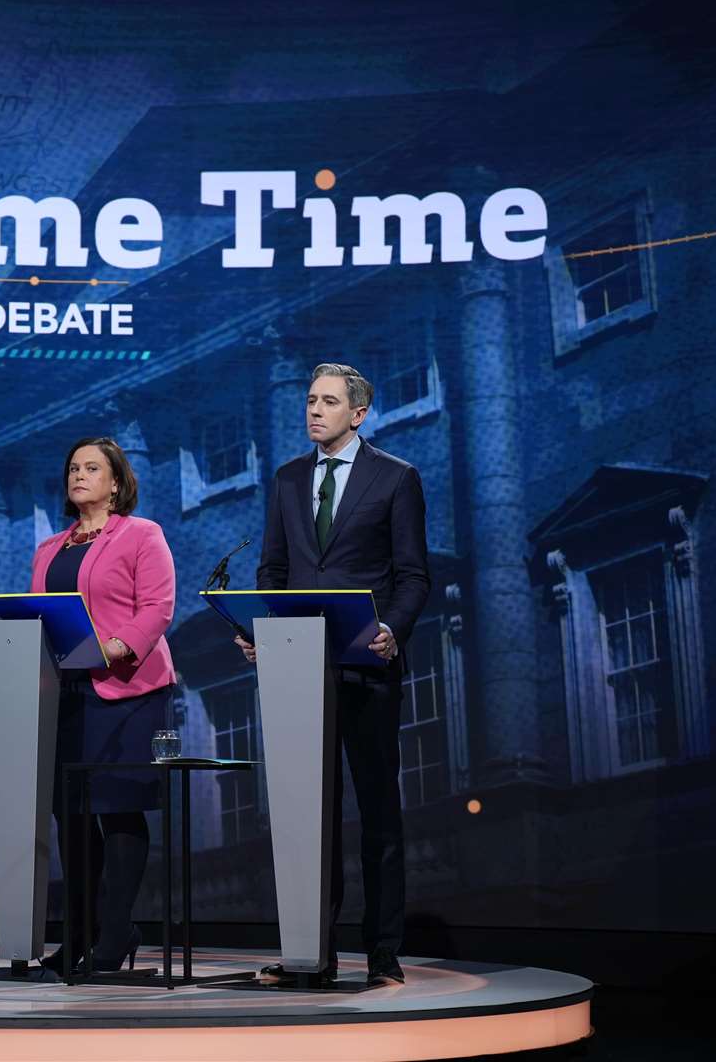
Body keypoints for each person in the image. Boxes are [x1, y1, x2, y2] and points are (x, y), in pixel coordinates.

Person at [238, 362, 430, 988]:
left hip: (366, 669)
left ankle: (382, 955)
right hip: (299, 670)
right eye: (310, 401)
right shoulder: (288, 479)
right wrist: (261, 630)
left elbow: (413, 576)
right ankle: (309, 954)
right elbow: (272, 570)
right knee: (305, 817)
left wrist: (392, 629)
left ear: (359, 412)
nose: (313, 411)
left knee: (378, 815)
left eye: (327, 402)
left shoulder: (396, 478)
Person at [29, 436, 176, 975]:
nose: (79, 475)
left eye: (92, 467)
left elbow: (158, 606)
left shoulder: (142, 534)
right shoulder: (49, 548)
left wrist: (117, 646)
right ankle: (78, 933)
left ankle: (116, 934)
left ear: (116, 482)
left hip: (126, 688)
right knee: (70, 818)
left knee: (117, 808)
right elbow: (41, 615)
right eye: (73, 467)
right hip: (66, 692)